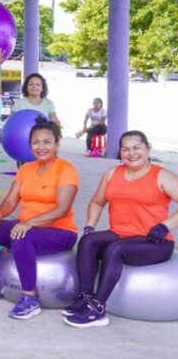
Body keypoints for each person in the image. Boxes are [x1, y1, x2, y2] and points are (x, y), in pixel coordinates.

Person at [0, 117, 78, 319]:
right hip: (28, 226)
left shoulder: (66, 169)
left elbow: (62, 209)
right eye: (36, 142)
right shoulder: (26, 169)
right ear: (30, 145)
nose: (41, 147)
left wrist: (28, 223)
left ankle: (30, 297)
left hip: (60, 231)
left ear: (57, 144)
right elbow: (10, 201)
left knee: (21, 237)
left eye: (47, 142)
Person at [63, 131, 178, 328]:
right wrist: (90, 225)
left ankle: (98, 309)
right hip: (120, 233)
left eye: (137, 148)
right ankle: (85, 297)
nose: (131, 153)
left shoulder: (161, 176)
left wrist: (165, 225)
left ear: (148, 148)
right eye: (126, 149)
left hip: (155, 241)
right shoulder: (112, 174)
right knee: (88, 241)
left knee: (115, 248)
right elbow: (98, 202)